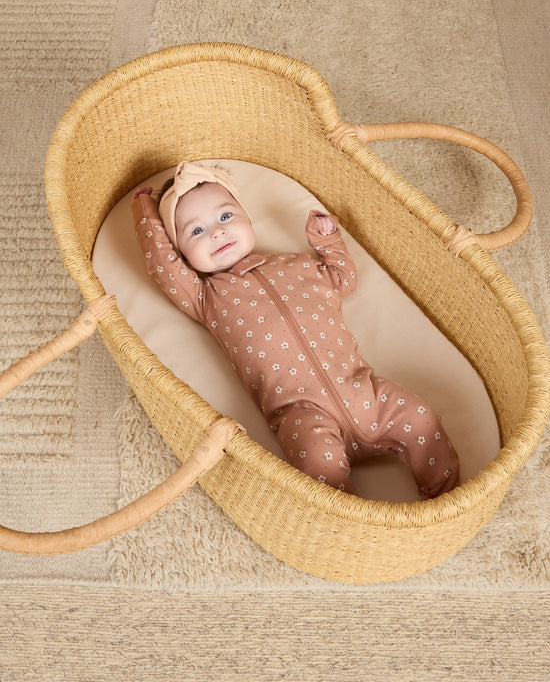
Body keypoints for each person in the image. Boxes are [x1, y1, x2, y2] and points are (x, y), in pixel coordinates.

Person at [131, 161, 460, 498]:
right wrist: (147, 215)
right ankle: (346, 521)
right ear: (183, 254)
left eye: (226, 217)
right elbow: (163, 268)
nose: (216, 232)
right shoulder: (206, 297)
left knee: (419, 417)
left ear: (247, 217)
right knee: (318, 466)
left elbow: (342, 279)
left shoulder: (296, 263)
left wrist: (328, 240)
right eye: (196, 231)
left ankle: (446, 497)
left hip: (363, 389)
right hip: (302, 413)